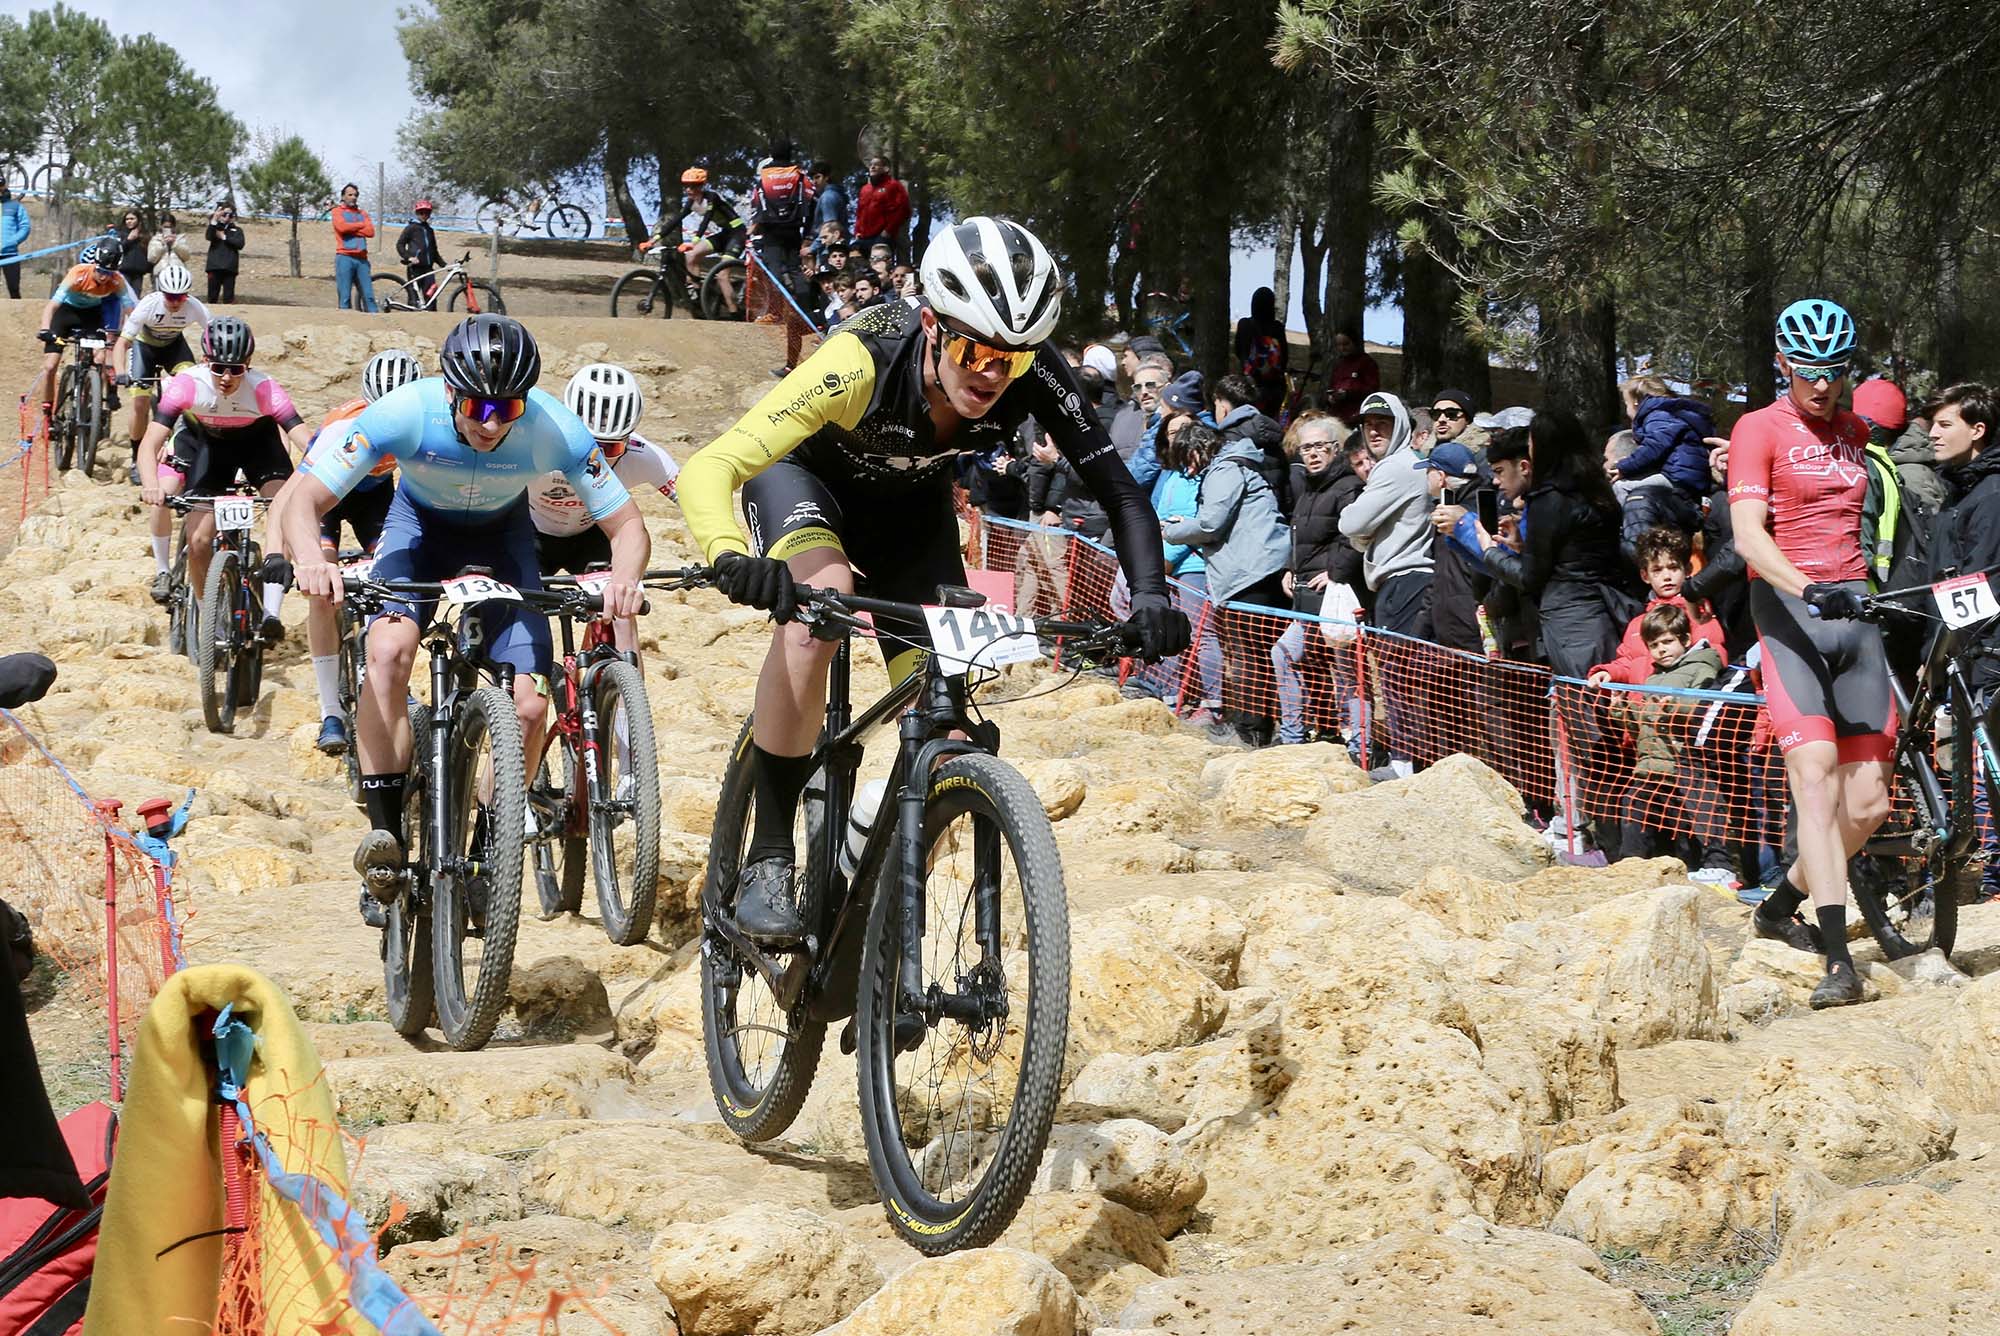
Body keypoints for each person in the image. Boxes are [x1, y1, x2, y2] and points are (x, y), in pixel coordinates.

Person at [676, 216, 1188, 945]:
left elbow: (1123, 494)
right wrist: (732, 554)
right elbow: (713, 464)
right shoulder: (861, 357)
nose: (990, 373)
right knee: (817, 620)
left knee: (944, 715)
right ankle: (769, 855)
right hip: (806, 484)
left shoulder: (1031, 370)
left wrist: (1150, 597)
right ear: (930, 322)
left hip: (912, 514)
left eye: (1009, 360)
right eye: (974, 349)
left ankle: (861, 844)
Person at [277, 315, 651, 927]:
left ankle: (487, 844)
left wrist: (625, 579)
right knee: (390, 652)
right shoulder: (403, 412)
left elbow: (627, 525)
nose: (492, 422)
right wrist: (314, 560)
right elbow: (305, 498)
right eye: (478, 404)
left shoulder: (554, 427)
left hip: (505, 541)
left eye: (508, 407)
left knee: (531, 708)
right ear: (450, 390)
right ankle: (386, 838)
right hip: (418, 531)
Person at [1726, 297, 1893, 1009]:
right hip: (1792, 609)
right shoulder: (1756, 427)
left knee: (1871, 804)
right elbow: (1746, 535)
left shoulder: (1857, 431)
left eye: (1834, 370)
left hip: (1855, 615)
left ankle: (1778, 903)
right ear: (1783, 366)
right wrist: (1807, 586)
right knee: (1816, 783)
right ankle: (1837, 962)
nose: (1821, 385)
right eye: (1808, 371)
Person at [138, 316, 312, 637]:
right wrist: (151, 485)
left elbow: (307, 443)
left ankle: (272, 612)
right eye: (218, 368)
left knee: (283, 510)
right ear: (205, 361)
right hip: (213, 449)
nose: (227, 377)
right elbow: (150, 443)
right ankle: (208, 618)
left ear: (249, 364)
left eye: (237, 369)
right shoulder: (188, 385)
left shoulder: (265, 389)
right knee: (199, 540)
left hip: (261, 446)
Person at [285, 348, 422, 753]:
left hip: (375, 499)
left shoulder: (424, 422)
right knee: (321, 594)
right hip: (329, 496)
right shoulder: (338, 429)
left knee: (394, 577)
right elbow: (293, 500)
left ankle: (394, 679)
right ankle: (331, 708)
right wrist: (285, 557)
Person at [1459, 410, 1633, 679]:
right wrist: (1523, 548)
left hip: (1570, 624)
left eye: (1532, 447)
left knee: (1583, 709)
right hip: (1607, 612)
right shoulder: (1597, 491)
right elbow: (1571, 555)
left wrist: (1489, 550)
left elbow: (1531, 578)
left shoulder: (1549, 499)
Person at [531, 362, 681, 657]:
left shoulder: (644, 456)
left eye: (609, 449)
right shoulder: (538, 447)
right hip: (530, 534)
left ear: (630, 439)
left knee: (623, 614)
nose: (593, 457)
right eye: (586, 443)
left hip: (593, 536)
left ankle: (624, 697)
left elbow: (694, 503)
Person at [1272, 413, 1365, 744]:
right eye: (1305, 447)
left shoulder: (1349, 486)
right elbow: (1301, 536)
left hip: (1336, 598)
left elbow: (1355, 536)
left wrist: (1335, 572)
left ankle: (1359, 745)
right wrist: (1289, 566)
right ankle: (1292, 737)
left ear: (1336, 448)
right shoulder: (1308, 488)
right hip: (1305, 595)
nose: (1311, 453)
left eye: (1319, 447)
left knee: (1347, 672)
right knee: (1284, 653)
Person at [1605, 604, 1725, 861]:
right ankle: (1631, 867)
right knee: (1632, 809)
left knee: (1685, 829)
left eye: (1668, 642)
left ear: (1685, 640)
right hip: (1649, 767)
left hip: (1681, 767)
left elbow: (1702, 710)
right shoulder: (1652, 678)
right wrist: (1621, 710)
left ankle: (1694, 868)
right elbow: (1643, 727)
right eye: (1654, 645)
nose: (1661, 649)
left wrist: (1674, 706)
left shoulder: (1701, 667)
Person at [112, 258, 208, 568]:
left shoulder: (193, 306)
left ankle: (184, 442)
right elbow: (123, 344)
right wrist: (119, 372)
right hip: (145, 348)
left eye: (181, 297)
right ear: (161, 293)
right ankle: (136, 453)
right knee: (140, 403)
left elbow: (212, 333)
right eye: (171, 297)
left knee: (190, 388)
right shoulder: (148, 305)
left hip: (174, 347)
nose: (177, 302)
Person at [1587, 527, 1728, 687]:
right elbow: (1628, 662)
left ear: (1687, 569)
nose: (1667, 576)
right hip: (1641, 707)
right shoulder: (1637, 624)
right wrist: (1610, 673)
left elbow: (1713, 658)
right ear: (1645, 576)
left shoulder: (1700, 616)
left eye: (1673, 567)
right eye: (1657, 570)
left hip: (1682, 705)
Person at [30, 239, 134, 419]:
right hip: (66, 314)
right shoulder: (78, 273)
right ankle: (48, 410)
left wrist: (130, 334)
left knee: (100, 358)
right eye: (101, 271)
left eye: (109, 273)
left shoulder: (117, 280)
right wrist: (45, 329)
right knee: (50, 366)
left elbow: (129, 310)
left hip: (91, 316)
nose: (104, 277)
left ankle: (92, 398)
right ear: (94, 264)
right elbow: (52, 306)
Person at [747, 142, 815, 371]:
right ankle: (805, 306)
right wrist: (806, 233)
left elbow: (757, 204)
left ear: (770, 156)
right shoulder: (799, 174)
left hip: (771, 231)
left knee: (773, 272)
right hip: (793, 229)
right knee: (795, 269)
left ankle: (775, 312)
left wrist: (754, 229)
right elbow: (810, 200)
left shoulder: (764, 176)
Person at [1615, 375, 1716, 514]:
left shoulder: (1658, 416)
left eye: (1626, 403)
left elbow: (1654, 447)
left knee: (1621, 487)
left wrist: (1624, 467)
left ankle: (1623, 526)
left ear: (1636, 402)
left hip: (1678, 478)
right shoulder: (1670, 413)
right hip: (1687, 476)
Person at [1606, 428, 1702, 561]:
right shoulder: (1666, 493)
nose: (1603, 465)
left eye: (1606, 459)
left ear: (1622, 461)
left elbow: (1639, 555)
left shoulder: (1637, 500)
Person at [1212, 372, 1290, 520]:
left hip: (1239, 527)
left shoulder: (1226, 441)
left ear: (1223, 407)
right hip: (1273, 522)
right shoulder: (1271, 436)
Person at [1233, 286, 1288, 415]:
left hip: (1249, 382)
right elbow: (1284, 358)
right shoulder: (1278, 328)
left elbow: (1238, 350)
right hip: (1274, 386)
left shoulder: (1245, 325)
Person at [853, 157, 912, 262]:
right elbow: (859, 212)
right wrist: (857, 231)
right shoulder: (865, 189)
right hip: (863, 237)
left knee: (879, 266)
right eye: (871, 164)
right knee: (853, 257)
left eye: (876, 164)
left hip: (881, 236)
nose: (872, 167)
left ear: (886, 168)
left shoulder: (893, 186)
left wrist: (887, 231)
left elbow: (903, 210)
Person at [330, 183, 377, 312]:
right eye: (350, 194)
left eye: (355, 195)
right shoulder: (337, 211)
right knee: (344, 297)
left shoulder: (363, 213)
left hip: (362, 259)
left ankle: (376, 322)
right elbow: (342, 227)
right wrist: (361, 226)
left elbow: (371, 232)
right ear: (343, 196)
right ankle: (346, 326)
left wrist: (352, 228)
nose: (353, 197)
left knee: (369, 296)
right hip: (345, 257)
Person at [1324, 325, 1380, 426]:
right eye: (1339, 345)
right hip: (1337, 418)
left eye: (1346, 344)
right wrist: (1330, 398)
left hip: (1356, 417)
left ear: (1355, 342)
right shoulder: (1338, 364)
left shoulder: (1366, 362)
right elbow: (1332, 386)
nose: (1342, 348)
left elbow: (1372, 390)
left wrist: (1349, 393)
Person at [395, 198, 445, 302]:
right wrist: (409, 257)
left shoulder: (430, 230)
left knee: (431, 297)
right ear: (417, 213)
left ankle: (431, 315)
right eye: (421, 213)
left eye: (427, 213)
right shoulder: (411, 228)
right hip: (415, 268)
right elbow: (400, 244)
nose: (424, 215)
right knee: (414, 297)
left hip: (428, 269)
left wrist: (444, 265)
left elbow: (434, 251)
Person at [203, 201, 244, 303]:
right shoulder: (214, 228)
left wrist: (224, 237)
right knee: (212, 297)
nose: (226, 217)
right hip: (214, 267)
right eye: (224, 214)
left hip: (230, 268)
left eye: (230, 215)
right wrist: (215, 219)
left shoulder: (237, 230)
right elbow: (209, 236)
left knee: (228, 298)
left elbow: (240, 244)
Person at [0, 186, 28, 299]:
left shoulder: (15, 206)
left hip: (10, 254)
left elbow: (25, 227)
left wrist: (12, 241)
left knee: (14, 288)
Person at [810, 162, 849, 242]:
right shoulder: (836, 194)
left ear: (827, 177)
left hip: (828, 248)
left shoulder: (827, 197)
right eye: (812, 179)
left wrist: (812, 248)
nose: (814, 182)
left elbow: (830, 229)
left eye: (817, 177)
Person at [116, 209, 152, 295]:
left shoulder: (145, 235)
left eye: (132, 219)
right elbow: (118, 250)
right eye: (127, 219)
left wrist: (148, 267)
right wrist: (129, 240)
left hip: (138, 273)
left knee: (135, 298)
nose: (129, 221)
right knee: (125, 298)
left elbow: (149, 253)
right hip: (124, 271)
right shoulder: (121, 234)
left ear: (138, 220)